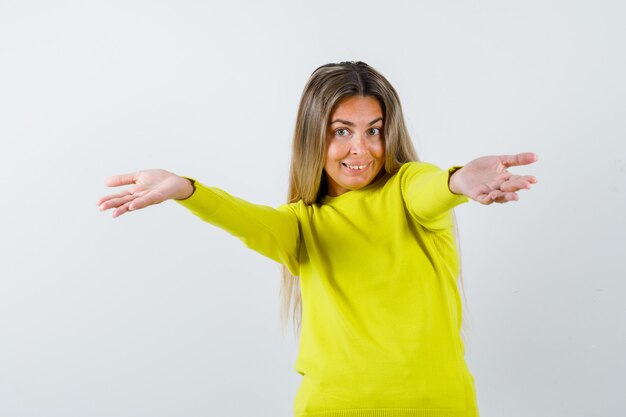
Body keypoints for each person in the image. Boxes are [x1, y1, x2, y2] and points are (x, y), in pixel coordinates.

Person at [96, 61, 537, 417]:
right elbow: (247, 219)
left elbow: (432, 188)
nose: (361, 149)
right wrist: (188, 190)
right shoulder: (301, 225)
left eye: (374, 130)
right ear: (314, 135)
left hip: (437, 407)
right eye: (341, 131)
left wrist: (459, 179)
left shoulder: (407, 189)